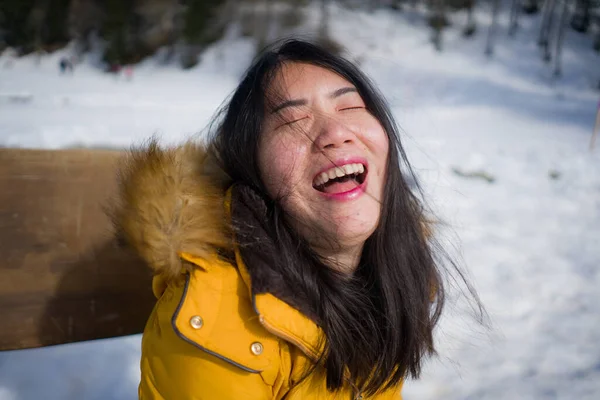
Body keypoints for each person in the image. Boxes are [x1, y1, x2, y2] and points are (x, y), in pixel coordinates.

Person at [112, 39, 480, 399]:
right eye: (293, 120)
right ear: (252, 172)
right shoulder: (217, 327)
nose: (335, 134)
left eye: (350, 107)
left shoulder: (389, 273)